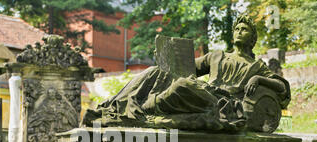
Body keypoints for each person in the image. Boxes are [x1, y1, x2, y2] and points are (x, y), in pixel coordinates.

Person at [82, 15, 290, 133]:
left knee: (184, 86)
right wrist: (166, 55)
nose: (239, 32)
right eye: (237, 29)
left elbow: (282, 88)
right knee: (156, 71)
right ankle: (116, 106)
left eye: (244, 30)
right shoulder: (217, 56)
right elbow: (184, 67)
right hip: (203, 92)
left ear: (253, 38)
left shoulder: (257, 66)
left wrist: (259, 78)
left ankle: (143, 110)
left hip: (222, 103)